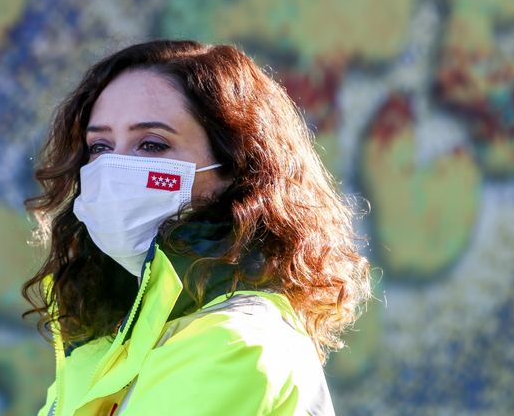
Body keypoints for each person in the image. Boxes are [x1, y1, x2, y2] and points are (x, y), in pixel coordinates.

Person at [22, 40, 371, 415]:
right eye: (100, 146)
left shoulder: (235, 341)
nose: (113, 169)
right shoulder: (115, 340)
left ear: (237, 167)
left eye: (152, 145)